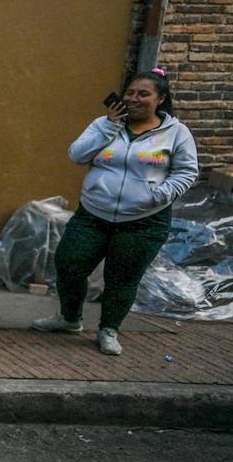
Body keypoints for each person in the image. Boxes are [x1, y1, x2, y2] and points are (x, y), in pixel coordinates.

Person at [32, 69, 198, 355]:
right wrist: (110, 126)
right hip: (94, 214)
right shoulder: (103, 124)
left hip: (144, 221)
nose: (134, 99)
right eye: (130, 93)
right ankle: (70, 319)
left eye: (143, 94)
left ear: (160, 99)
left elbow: (186, 171)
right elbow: (77, 154)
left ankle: (109, 329)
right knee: (69, 263)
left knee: (122, 278)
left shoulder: (176, 133)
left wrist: (160, 194)